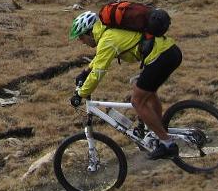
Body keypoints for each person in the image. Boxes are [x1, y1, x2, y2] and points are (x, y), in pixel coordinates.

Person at [67, 9, 183, 159]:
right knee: (141, 87)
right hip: (169, 52)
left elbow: (99, 73)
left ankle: (167, 144)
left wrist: (80, 94)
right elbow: (100, 58)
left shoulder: (107, 40)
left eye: (81, 37)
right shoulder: (108, 33)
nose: (81, 41)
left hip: (161, 57)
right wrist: (85, 71)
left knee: (137, 101)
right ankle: (158, 129)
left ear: (89, 32)